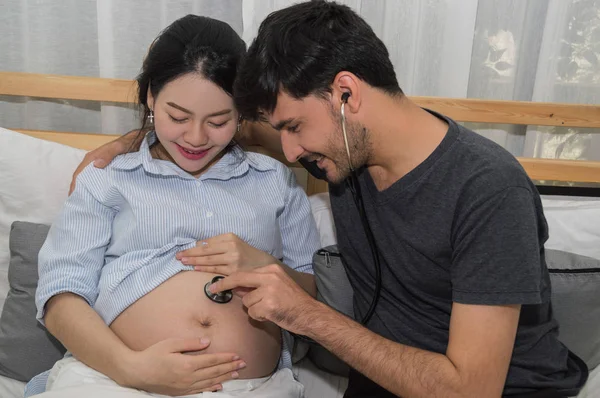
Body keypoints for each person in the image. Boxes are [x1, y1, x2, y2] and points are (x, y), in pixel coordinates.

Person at [71, 1, 589, 397]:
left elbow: (469, 389)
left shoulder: (487, 188)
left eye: (294, 127)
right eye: (282, 130)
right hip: (380, 382)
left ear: (346, 93)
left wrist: (304, 313)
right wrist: (129, 141)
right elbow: (228, 130)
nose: (289, 151)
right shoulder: (338, 149)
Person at [29, 14, 320, 398]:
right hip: (115, 381)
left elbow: (316, 297)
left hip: (250, 387)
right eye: (177, 117)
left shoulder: (274, 180)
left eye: (219, 121)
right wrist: (130, 368)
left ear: (243, 112)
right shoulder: (109, 178)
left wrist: (268, 268)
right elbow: (60, 295)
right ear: (151, 97)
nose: (196, 138)